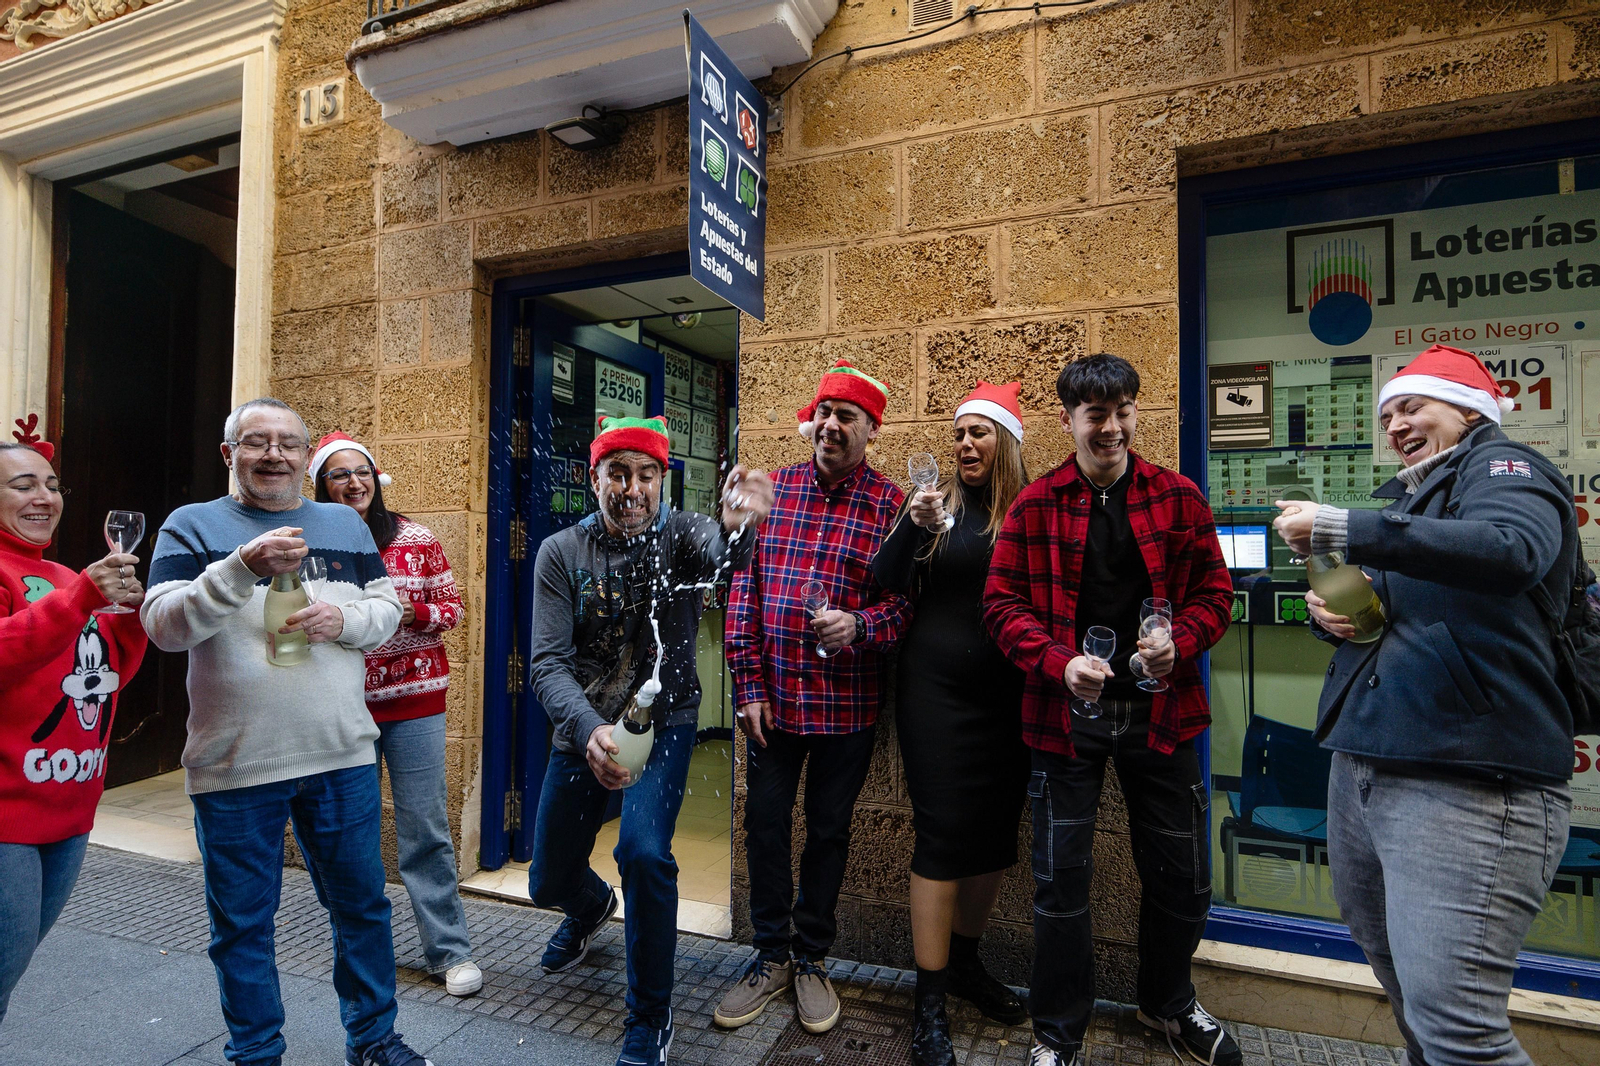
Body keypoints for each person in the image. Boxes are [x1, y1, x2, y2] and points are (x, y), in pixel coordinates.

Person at [1272, 344, 1578, 1066]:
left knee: (1457, 1027)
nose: (1396, 426)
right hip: (1370, 763)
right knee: (1416, 1002)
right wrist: (1333, 617)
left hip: (1468, 781)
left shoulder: (1506, 468)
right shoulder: (1415, 500)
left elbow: (1512, 550)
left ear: (1468, 411)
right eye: (1387, 417)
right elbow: (1404, 615)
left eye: (1413, 407)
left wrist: (1343, 526)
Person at [140, 400, 425, 1066]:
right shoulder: (192, 524)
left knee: (362, 910)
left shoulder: (342, 524)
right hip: (235, 763)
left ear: (305, 457)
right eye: (256, 442)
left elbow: (386, 608)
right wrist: (241, 567)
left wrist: (343, 622)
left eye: (289, 444)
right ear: (228, 454)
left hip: (342, 755)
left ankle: (375, 1040)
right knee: (242, 927)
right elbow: (164, 628)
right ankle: (256, 1052)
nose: (274, 454)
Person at [983, 355, 1237, 1066]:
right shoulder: (1036, 505)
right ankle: (1057, 1033)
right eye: (1096, 414)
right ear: (1069, 420)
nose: (1113, 427)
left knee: (1183, 875)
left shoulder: (1178, 497)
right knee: (1060, 881)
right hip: (1065, 719)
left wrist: (1181, 643)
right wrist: (1058, 662)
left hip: (1164, 713)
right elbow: (1000, 605)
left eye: (1123, 411)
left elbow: (1216, 594)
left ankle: (1168, 1004)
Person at [527, 415, 773, 1066]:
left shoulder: (684, 534)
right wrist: (589, 731)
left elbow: (729, 560)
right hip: (586, 723)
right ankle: (590, 908)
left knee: (642, 852)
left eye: (646, 475)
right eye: (618, 473)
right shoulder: (561, 552)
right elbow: (546, 665)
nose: (632, 489)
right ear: (594, 479)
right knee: (546, 879)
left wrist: (740, 526)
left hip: (666, 721)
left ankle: (649, 1019)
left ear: (663, 481)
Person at [716, 360, 911, 1036]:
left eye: (845, 417)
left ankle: (811, 959)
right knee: (764, 822)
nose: (830, 425)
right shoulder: (775, 491)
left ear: (870, 429)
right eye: (824, 413)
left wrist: (860, 624)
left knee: (829, 831)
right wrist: (747, 686)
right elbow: (741, 591)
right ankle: (771, 955)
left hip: (846, 708)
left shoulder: (889, 506)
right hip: (772, 704)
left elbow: (905, 607)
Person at [871, 383, 1031, 1066]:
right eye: (959, 432)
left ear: (1006, 443)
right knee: (941, 838)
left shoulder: (1028, 511)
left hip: (1009, 698)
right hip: (935, 697)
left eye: (979, 432)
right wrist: (913, 524)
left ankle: (965, 963)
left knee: (994, 838)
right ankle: (929, 1003)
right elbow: (882, 579)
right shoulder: (935, 507)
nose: (965, 443)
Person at [311, 431, 480, 999]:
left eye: (361, 471)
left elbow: (453, 608)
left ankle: (450, 951)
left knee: (424, 830)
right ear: (321, 486)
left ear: (376, 480)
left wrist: (414, 612)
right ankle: (363, 947)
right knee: (346, 831)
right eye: (339, 474)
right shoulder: (307, 546)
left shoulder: (416, 539)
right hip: (340, 706)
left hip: (415, 703)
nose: (353, 482)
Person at [0, 419, 147, 1025]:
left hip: (71, 806)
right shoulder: (66, 584)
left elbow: (106, 677)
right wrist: (83, 598)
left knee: (9, 973)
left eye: (52, 485)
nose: (44, 497)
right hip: (6, 815)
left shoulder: (67, 577)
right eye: (23, 485)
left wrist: (132, 620)